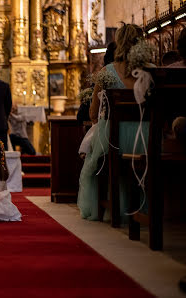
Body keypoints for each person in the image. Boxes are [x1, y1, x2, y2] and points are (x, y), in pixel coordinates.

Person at [78, 24, 150, 221]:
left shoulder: (107, 71)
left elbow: (93, 112)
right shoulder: (152, 72)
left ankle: (108, 207)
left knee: (94, 160)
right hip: (147, 138)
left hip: (114, 140)